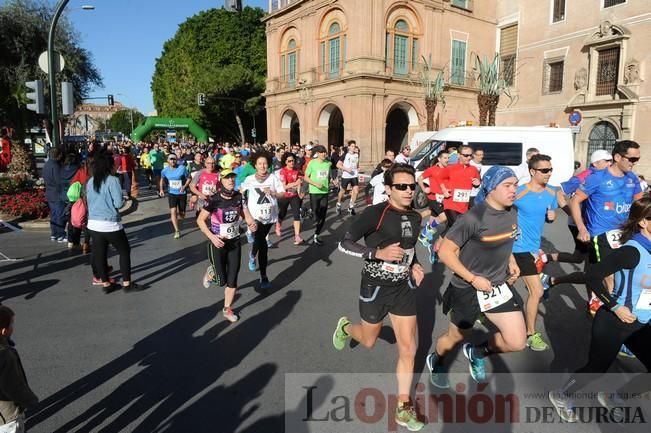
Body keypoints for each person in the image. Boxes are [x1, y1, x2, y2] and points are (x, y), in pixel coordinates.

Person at [333, 163, 425, 432]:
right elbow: (344, 243)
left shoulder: (415, 217)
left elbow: (408, 249)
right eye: (401, 186)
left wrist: (416, 264)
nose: (409, 191)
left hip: (402, 288)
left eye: (412, 185)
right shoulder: (375, 213)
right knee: (370, 340)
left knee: (409, 349)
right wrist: (376, 253)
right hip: (374, 287)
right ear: (388, 189)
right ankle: (347, 327)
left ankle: (403, 407)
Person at [548, 196, 651, 423]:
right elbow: (592, 276)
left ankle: (616, 397)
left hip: (641, 323)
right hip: (614, 322)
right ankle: (562, 395)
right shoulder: (632, 251)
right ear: (643, 222)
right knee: (597, 367)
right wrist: (614, 306)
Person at [426, 166, 524, 388]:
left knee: (517, 341)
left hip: (497, 286)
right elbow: (445, 252)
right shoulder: (473, 217)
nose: (513, 190)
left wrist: (511, 261)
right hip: (467, 288)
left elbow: (507, 240)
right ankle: (437, 360)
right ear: (491, 188)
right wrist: (473, 279)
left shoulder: (512, 211)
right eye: (507, 186)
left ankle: (477, 351)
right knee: (455, 338)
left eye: (515, 185)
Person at [569, 140, 644, 315]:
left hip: (625, 233)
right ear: (617, 157)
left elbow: (641, 205)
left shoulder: (632, 178)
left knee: (622, 274)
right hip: (601, 235)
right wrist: (581, 228)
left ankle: (603, 302)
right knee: (609, 277)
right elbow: (574, 201)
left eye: (637, 159)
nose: (634, 163)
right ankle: (613, 315)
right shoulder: (597, 178)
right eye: (631, 159)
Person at [511, 154, 565, 351]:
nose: (549, 173)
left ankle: (481, 305)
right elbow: (499, 208)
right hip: (518, 247)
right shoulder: (519, 192)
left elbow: (549, 214)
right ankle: (530, 334)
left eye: (550, 169)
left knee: (506, 281)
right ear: (532, 172)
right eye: (544, 170)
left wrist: (552, 217)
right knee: (537, 291)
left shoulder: (551, 192)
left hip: (533, 248)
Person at [197, 169, 256, 322]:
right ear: (221, 180)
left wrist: (251, 223)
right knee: (221, 280)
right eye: (227, 178)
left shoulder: (239, 197)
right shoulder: (213, 200)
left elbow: (246, 214)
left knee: (233, 277)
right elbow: (200, 220)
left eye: (233, 178)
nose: (231, 180)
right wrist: (212, 237)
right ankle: (211, 272)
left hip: (235, 241)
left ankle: (227, 308)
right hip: (218, 243)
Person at [86, 150, 140, 293]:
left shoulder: (90, 181)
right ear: (109, 166)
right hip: (110, 223)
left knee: (100, 254)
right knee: (124, 251)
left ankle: (106, 284)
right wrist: (125, 200)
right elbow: (118, 203)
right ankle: (127, 284)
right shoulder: (112, 180)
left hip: (93, 223)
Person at [241, 152, 285, 291]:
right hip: (255, 217)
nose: (262, 166)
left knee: (258, 241)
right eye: (260, 163)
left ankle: (252, 254)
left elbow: (282, 193)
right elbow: (240, 192)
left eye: (265, 163)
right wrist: (244, 210)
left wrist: (272, 193)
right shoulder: (249, 179)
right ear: (255, 165)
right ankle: (264, 276)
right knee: (263, 244)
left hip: (270, 217)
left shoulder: (273, 178)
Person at [0, 306, 39, 432]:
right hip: (7, 413)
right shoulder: (5, 356)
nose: (13, 327)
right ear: (4, 331)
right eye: (11, 324)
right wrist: (29, 400)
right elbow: (12, 386)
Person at [417, 150, 450, 260]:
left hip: (443, 198)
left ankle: (423, 236)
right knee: (443, 217)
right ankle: (427, 230)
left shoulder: (448, 170)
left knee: (433, 217)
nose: (447, 160)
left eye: (448, 158)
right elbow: (419, 178)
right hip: (433, 197)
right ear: (439, 159)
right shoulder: (432, 169)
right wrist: (424, 188)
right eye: (445, 158)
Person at [303, 145, 332, 245]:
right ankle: (309, 211)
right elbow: (306, 178)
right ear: (318, 154)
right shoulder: (312, 163)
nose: (324, 154)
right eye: (322, 152)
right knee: (316, 215)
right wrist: (315, 184)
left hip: (324, 192)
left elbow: (328, 175)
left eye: (325, 152)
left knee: (323, 216)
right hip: (314, 192)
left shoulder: (328, 163)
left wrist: (333, 180)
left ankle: (316, 235)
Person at [159, 154, 191, 239]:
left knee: (182, 214)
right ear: (168, 161)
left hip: (182, 193)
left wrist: (184, 186)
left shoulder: (182, 168)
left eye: (174, 159)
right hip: (172, 193)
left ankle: (182, 212)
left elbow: (189, 178)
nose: (172, 161)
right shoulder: (164, 171)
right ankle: (177, 230)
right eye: (171, 159)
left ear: (176, 160)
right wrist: (161, 190)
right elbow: (162, 179)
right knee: (173, 211)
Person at [276, 152, 304, 245]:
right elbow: (284, 187)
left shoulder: (297, 170)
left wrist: (299, 192)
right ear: (285, 162)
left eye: (293, 160)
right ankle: (278, 224)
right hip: (284, 196)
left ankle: (297, 236)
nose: (292, 162)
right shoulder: (283, 171)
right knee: (282, 213)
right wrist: (295, 184)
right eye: (289, 161)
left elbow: (300, 182)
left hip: (294, 196)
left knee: (297, 215)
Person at [43, 148, 66, 242]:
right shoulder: (55, 166)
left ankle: (54, 234)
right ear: (58, 155)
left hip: (49, 192)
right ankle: (60, 235)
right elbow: (59, 181)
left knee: (54, 214)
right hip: (56, 194)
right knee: (59, 214)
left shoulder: (47, 164)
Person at [336, 140, 360, 216]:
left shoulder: (356, 155)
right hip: (346, 176)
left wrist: (358, 168)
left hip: (354, 175)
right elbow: (338, 165)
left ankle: (351, 206)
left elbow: (356, 164)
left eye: (354, 146)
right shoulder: (345, 155)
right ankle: (339, 203)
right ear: (349, 147)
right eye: (352, 146)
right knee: (343, 191)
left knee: (356, 191)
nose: (353, 148)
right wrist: (346, 169)